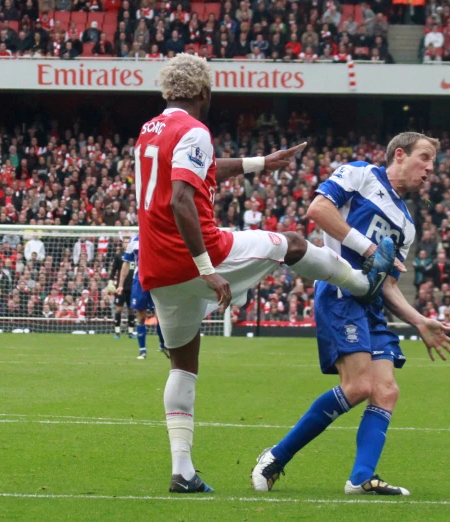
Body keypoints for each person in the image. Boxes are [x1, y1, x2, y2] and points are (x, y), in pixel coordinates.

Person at [136, 53, 395, 494]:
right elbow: (183, 197)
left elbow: (202, 170)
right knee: (293, 243)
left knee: (183, 364)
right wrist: (206, 270)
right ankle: (361, 279)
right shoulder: (194, 130)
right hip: (200, 255)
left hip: (156, 267)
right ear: (204, 92)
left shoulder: (150, 130)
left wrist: (259, 163)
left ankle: (182, 472)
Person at [251, 132, 450, 496]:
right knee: (359, 386)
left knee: (386, 391)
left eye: (433, 163)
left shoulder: (407, 225)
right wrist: (368, 249)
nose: (430, 169)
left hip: (373, 304)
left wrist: (419, 320)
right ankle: (275, 458)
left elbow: (390, 284)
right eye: (425, 158)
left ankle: (361, 477)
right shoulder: (361, 174)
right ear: (399, 154)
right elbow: (318, 210)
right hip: (340, 290)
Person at [117, 234, 167, 360]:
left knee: (160, 315)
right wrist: (120, 284)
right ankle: (142, 350)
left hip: (157, 280)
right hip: (139, 281)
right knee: (141, 315)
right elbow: (126, 263)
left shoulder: (158, 236)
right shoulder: (134, 240)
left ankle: (163, 344)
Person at [109, 238, 136, 339]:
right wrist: (110, 281)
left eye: (128, 242)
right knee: (119, 309)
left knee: (131, 310)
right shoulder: (119, 256)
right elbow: (113, 270)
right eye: (125, 242)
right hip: (121, 287)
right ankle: (117, 331)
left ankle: (131, 331)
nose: (127, 243)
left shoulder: (135, 255)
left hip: (132, 286)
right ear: (122, 244)